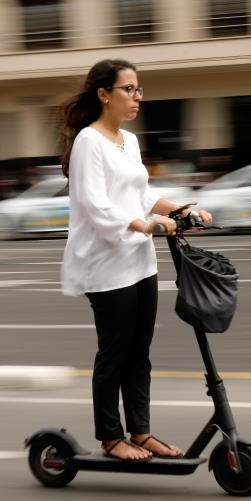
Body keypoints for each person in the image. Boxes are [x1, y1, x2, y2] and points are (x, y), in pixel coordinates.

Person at [60, 59, 212, 461]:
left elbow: (142, 195)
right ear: (104, 94)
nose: (137, 96)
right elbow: (95, 204)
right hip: (106, 264)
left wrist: (181, 210)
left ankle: (140, 432)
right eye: (128, 89)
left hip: (140, 262)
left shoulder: (128, 140)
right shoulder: (88, 142)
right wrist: (144, 226)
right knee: (115, 351)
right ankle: (111, 438)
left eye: (139, 89)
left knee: (139, 352)